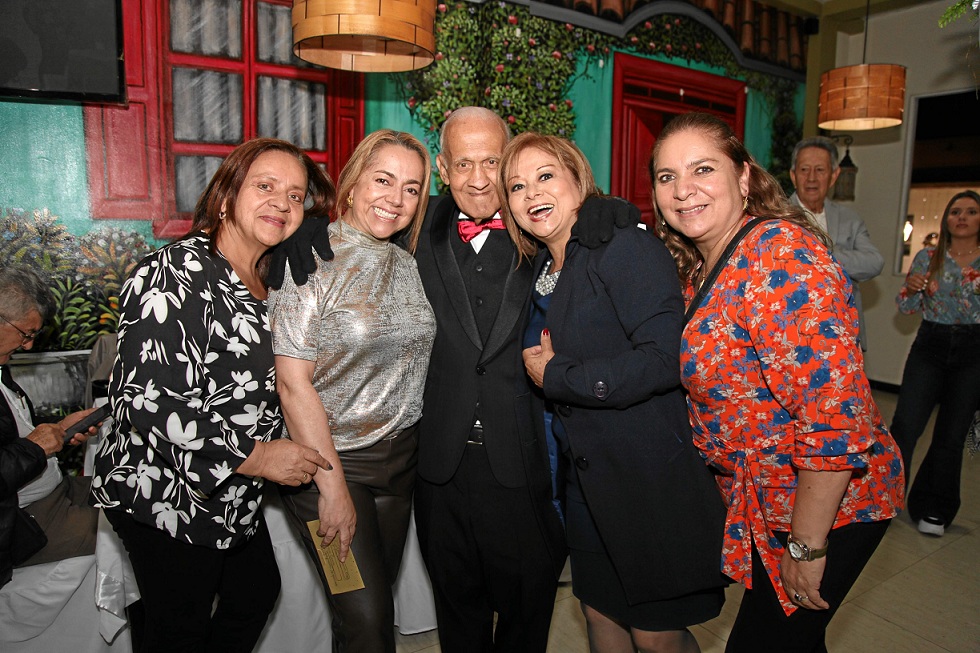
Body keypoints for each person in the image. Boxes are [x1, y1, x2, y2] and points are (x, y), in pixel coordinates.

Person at [649, 112, 904, 653]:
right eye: (666, 176)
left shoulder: (779, 256)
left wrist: (808, 548)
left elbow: (833, 416)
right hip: (767, 501)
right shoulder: (704, 263)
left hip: (829, 506)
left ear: (744, 178)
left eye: (702, 169)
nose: (683, 189)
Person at [91, 138, 336, 653]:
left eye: (295, 197)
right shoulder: (173, 271)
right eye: (265, 187)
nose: (282, 203)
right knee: (178, 630)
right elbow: (144, 398)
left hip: (233, 496)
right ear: (225, 197)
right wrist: (260, 455)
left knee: (255, 592)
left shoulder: (272, 276)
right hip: (165, 492)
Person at [410, 106, 631, 652]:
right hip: (440, 465)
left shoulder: (544, 224)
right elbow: (363, 215)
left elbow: (587, 218)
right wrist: (305, 234)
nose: (480, 178)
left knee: (527, 618)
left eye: (492, 161)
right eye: (464, 164)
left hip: (526, 464)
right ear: (442, 168)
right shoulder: (418, 225)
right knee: (456, 616)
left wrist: (612, 210)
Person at [501, 133, 727, 653]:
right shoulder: (539, 267)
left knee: (654, 635)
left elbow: (666, 358)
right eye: (517, 185)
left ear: (579, 180)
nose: (532, 192)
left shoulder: (623, 246)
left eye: (546, 176)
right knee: (600, 616)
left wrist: (558, 377)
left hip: (645, 476)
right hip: (586, 480)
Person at [269, 130, 437, 653]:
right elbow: (292, 382)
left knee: (370, 612)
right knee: (365, 620)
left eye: (412, 188)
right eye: (383, 180)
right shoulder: (307, 261)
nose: (395, 198)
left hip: (400, 463)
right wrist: (332, 488)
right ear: (353, 180)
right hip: (332, 465)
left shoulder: (409, 263)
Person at [0, 266, 102, 589]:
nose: (28, 346)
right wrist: (35, 446)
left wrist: (59, 431)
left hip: (53, 491)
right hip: (25, 521)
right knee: (128, 530)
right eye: (26, 334)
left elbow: (15, 439)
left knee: (129, 493)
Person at [891, 190, 980, 538]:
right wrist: (912, 289)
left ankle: (935, 509)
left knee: (951, 435)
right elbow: (906, 308)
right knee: (905, 426)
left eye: (971, 211)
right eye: (956, 211)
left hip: (973, 351)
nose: (962, 217)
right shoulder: (929, 256)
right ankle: (885, 498)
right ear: (946, 219)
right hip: (931, 345)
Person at [789, 136, 884, 350]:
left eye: (820, 170)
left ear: (834, 176)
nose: (811, 178)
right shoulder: (776, 216)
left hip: (843, 334)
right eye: (804, 170)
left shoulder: (850, 220)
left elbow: (873, 262)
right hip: (791, 332)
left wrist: (821, 251)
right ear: (793, 176)